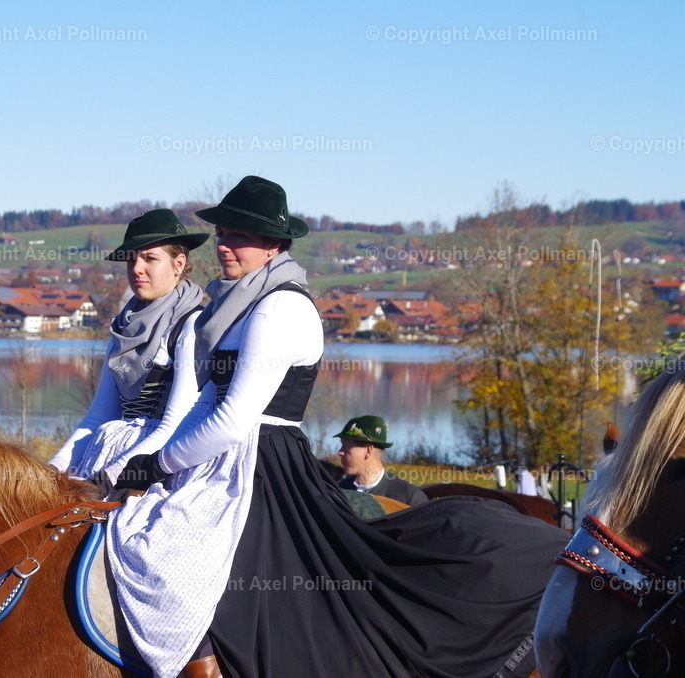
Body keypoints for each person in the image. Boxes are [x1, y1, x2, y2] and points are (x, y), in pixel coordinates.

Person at [97, 176, 568, 678]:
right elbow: (202, 403)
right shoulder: (228, 306)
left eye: (240, 236)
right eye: (224, 234)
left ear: (274, 244)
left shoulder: (282, 305)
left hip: (262, 461)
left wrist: (160, 461)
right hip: (216, 460)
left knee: (180, 559)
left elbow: (236, 417)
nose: (227, 245)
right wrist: (144, 464)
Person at [47, 209, 208, 479]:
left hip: (159, 468)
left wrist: (113, 476)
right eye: (130, 259)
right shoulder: (121, 327)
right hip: (107, 460)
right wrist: (54, 467)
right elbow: (98, 417)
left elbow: (176, 424)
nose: (136, 269)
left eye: (150, 258)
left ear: (179, 264)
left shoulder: (191, 325)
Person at [336, 415, 428, 505]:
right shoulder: (339, 491)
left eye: (346, 446)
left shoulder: (409, 498)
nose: (340, 452)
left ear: (368, 450)